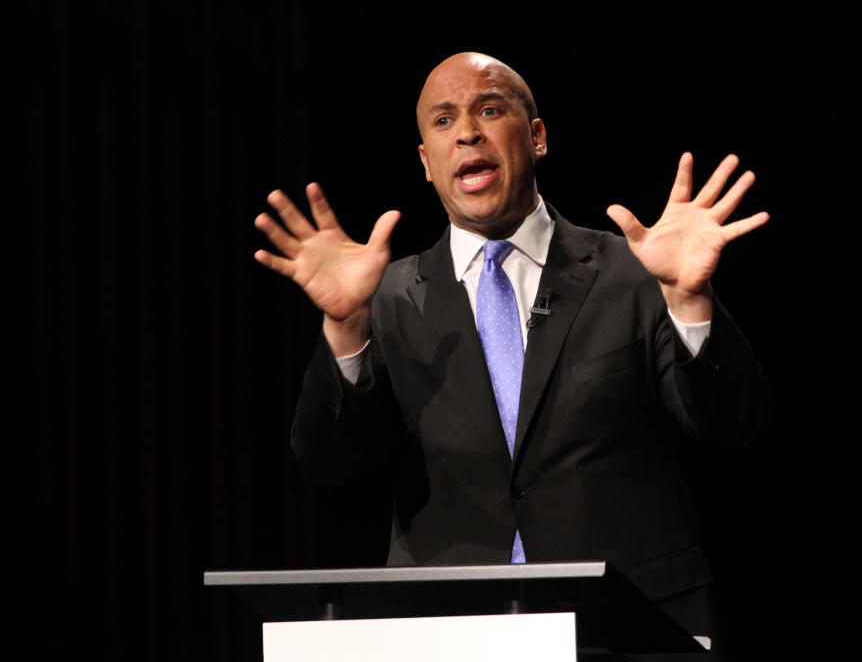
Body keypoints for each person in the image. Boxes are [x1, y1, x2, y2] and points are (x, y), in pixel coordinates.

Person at [254, 52, 771, 653]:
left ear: (537, 136)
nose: (467, 131)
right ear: (426, 162)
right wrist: (344, 330)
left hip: (628, 620)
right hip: (452, 626)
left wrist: (689, 299)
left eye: (489, 109)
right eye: (443, 122)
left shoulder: (634, 271)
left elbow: (733, 427)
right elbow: (331, 464)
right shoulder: (387, 297)